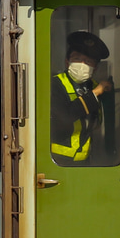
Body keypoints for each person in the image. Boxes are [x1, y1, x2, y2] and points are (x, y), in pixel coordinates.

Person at [51, 31, 111, 163]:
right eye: (77, 59)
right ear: (67, 62)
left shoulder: (94, 86)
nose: (82, 64)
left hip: (84, 161)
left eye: (88, 61)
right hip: (58, 161)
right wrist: (95, 94)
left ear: (95, 68)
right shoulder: (54, 84)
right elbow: (65, 118)